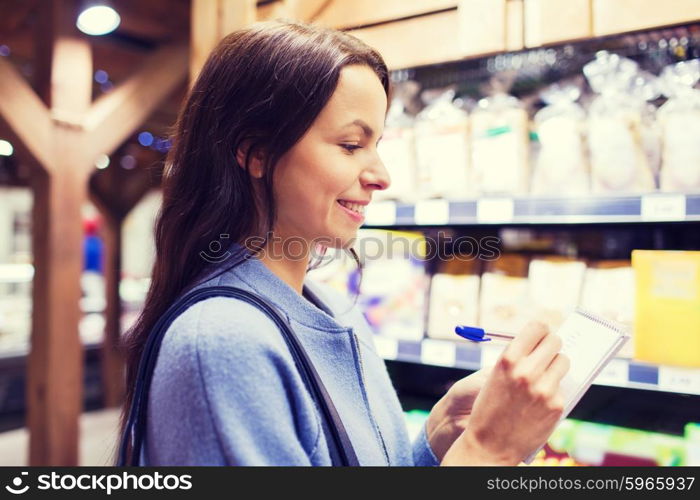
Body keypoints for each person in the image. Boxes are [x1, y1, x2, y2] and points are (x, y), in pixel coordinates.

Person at [119, 20, 570, 466]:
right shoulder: (222, 342)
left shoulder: (336, 308)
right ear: (256, 154)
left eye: (377, 144)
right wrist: (487, 451)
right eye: (351, 144)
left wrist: (440, 437)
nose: (381, 177)